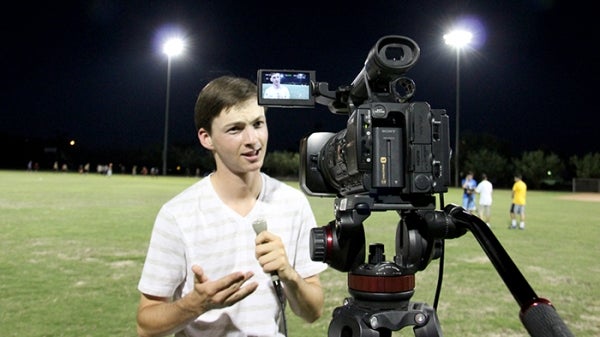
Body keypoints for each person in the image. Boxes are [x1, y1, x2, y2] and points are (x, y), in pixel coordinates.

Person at [136, 76, 327, 337]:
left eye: (258, 124)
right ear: (207, 138)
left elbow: (312, 311)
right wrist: (196, 304)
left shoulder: (292, 203)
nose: (253, 139)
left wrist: (289, 274)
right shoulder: (177, 215)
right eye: (235, 129)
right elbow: (146, 324)